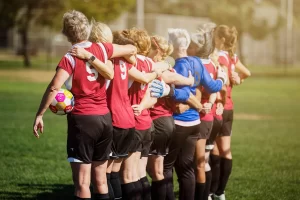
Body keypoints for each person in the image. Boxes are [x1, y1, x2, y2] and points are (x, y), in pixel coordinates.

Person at [32, 10, 137, 200]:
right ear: (88, 29)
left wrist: (40, 114)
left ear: (65, 34)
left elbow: (54, 88)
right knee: (101, 181)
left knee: (82, 183)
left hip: (82, 122)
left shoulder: (71, 57)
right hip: (105, 120)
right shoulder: (103, 49)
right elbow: (131, 49)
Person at [150, 28, 227, 200]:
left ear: (173, 46)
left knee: (165, 167)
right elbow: (213, 87)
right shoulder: (197, 62)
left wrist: (167, 91)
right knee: (186, 168)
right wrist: (222, 78)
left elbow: (181, 98)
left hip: (179, 124)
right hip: (194, 123)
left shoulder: (179, 66)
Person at [210, 25, 251, 200]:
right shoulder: (233, 56)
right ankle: (220, 192)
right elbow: (247, 73)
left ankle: (211, 191)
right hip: (229, 108)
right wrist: (239, 80)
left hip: (218, 107)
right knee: (225, 150)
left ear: (221, 39)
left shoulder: (219, 57)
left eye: (214, 36)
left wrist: (233, 81)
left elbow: (221, 82)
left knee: (212, 151)